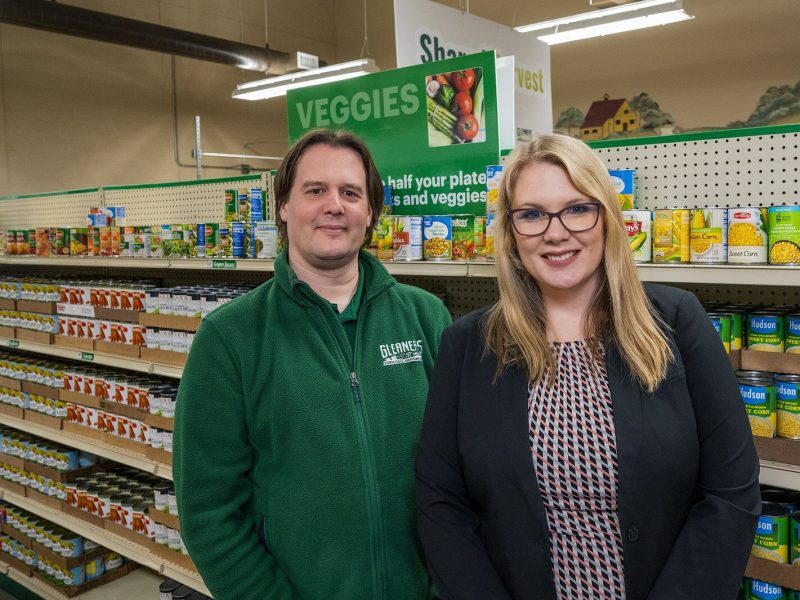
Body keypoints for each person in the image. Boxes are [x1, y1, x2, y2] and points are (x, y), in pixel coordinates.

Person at [415, 133, 760, 600]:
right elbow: (440, 503)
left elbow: (731, 492)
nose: (556, 232)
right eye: (532, 214)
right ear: (510, 233)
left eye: (577, 208)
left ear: (607, 219)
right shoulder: (467, 344)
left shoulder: (677, 322)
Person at [174, 128, 452, 600]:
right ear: (284, 206)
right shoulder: (230, 338)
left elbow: (460, 475)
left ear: (371, 211)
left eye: (351, 193)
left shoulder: (427, 318)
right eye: (315, 190)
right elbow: (209, 513)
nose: (334, 206)